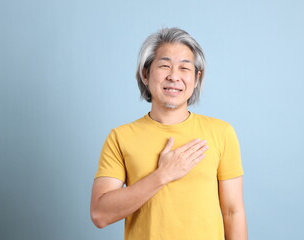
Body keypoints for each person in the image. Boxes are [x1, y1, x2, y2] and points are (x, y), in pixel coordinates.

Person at [90, 27, 248, 240]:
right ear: (145, 74)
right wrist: (162, 175)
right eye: (164, 66)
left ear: (196, 78)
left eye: (184, 68)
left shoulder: (221, 133)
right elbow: (100, 214)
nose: (174, 76)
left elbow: (233, 211)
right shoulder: (120, 137)